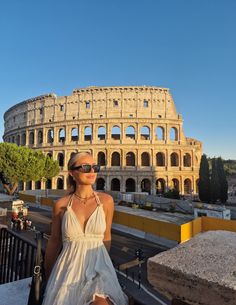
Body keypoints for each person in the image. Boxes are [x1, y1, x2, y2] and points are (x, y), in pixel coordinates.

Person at [42, 152, 128, 305]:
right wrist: (48, 277)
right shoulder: (61, 204)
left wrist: (104, 264)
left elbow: (106, 237)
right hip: (68, 269)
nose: (92, 171)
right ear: (72, 173)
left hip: (98, 266)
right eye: (86, 167)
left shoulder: (106, 201)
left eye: (95, 167)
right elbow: (54, 242)